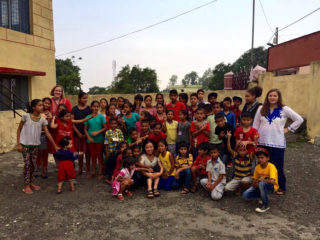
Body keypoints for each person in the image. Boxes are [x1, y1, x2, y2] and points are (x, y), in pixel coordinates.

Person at [253, 88, 303, 195]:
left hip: (277, 143)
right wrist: (254, 137)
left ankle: (281, 186)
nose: (272, 97)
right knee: (262, 164)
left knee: (277, 166)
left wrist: (288, 129)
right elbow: (256, 124)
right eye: (270, 95)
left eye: (275, 95)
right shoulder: (261, 108)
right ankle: (264, 186)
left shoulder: (284, 109)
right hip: (262, 141)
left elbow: (299, 119)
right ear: (267, 97)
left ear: (278, 97)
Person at [17, 99, 58, 194]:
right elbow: (19, 130)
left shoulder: (43, 119)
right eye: (39, 105)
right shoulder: (26, 116)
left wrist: (55, 145)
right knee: (27, 165)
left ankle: (31, 183)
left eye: (42, 105)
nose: (42, 107)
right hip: (25, 145)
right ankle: (26, 186)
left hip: (35, 145)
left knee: (34, 165)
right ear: (33, 107)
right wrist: (19, 144)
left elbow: (47, 133)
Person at [242, 147, 279, 213]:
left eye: (262, 158)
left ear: (268, 158)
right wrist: (255, 183)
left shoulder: (271, 166)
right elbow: (255, 180)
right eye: (258, 158)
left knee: (262, 184)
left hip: (272, 187)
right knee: (245, 195)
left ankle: (266, 205)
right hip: (260, 186)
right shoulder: (257, 167)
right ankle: (262, 196)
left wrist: (262, 180)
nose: (260, 159)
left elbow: (273, 182)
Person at [84, 101, 107, 179]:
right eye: (94, 106)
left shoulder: (101, 117)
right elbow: (85, 129)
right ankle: (93, 171)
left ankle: (100, 172)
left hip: (99, 139)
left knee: (99, 155)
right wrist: (89, 137)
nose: (96, 108)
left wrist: (98, 132)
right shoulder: (88, 117)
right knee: (93, 155)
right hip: (90, 140)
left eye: (97, 106)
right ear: (91, 107)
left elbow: (105, 127)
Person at [71, 91, 91, 175]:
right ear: (79, 99)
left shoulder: (89, 109)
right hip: (77, 134)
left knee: (87, 152)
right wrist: (78, 133)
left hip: (87, 133)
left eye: (86, 98)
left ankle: (87, 169)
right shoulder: (74, 109)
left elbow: (91, 121)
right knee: (79, 152)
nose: (85, 100)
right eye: (83, 98)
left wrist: (86, 133)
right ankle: (80, 168)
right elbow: (72, 122)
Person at [36, 97, 53, 179]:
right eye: (45, 103)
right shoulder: (37, 112)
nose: (46, 105)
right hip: (35, 135)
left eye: (48, 103)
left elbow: (48, 125)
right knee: (36, 154)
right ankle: (36, 170)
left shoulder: (49, 113)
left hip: (44, 135)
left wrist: (50, 118)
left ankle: (43, 170)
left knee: (43, 154)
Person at [104, 118, 125, 182]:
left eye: (115, 123)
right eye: (112, 124)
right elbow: (106, 143)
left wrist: (115, 139)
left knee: (117, 164)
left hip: (119, 152)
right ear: (110, 124)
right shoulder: (108, 132)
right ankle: (109, 177)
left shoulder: (119, 131)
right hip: (111, 152)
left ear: (117, 124)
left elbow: (122, 140)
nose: (114, 125)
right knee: (111, 164)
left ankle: (116, 177)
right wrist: (107, 152)